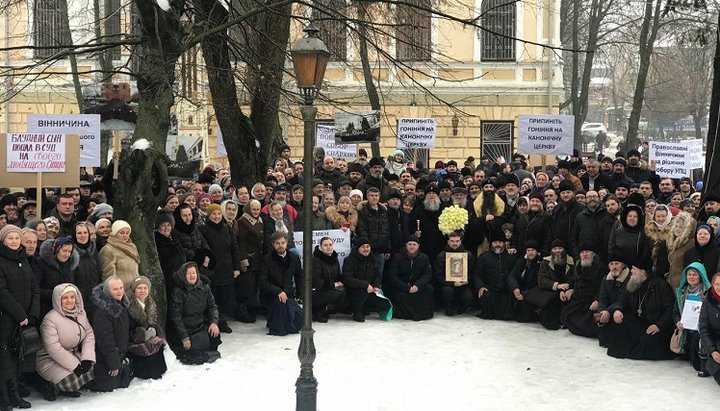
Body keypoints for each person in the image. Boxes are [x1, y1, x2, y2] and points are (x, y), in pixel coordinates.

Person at [0, 225, 39, 410]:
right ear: (4, 241)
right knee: (5, 357)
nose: (14, 241)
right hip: (7, 317)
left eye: (17, 237)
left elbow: (34, 288)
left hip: (24, 318)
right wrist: (20, 314)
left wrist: (32, 313)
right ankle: (4, 397)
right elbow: (2, 292)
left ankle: (15, 394)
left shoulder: (23, 259)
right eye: (10, 238)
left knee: (17, 357)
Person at [606, 259, 675, 360]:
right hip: (637, 323)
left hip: (655, 326)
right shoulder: (633, 282)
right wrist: (618, 310)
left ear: (642, 272)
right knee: (619, 323)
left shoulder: (661, 285)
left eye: (634, 269)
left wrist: (659, 325)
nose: (631, 271)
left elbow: (671, 309)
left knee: (649, 341)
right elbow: (622, 300)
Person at [36, 283, 95, 401]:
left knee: (93, 369)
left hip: (72, 353)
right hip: (50, 359)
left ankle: (66, 386)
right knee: (70, 382)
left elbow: (89, 335)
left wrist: (87, 358)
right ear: (58, 299)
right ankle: (50, 385)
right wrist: (75, 366)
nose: (69, 301)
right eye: (65, 298)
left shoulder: (81, 313)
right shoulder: (50, 319)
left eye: (72, 297)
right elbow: (53, 348)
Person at [199, 203, 242, 334]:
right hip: (212, 269)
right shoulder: (203, 229)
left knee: (226, 297)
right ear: (209, 215)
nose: (216, 216)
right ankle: (213, 321)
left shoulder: (226, 228)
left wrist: (236, 267)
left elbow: (234, 248)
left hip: (227, 268)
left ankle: (222, 320)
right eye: (213, 214)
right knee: (214, 297)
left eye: (218, 214)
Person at [169, 262, 221, 365]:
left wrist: (214, 322)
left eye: (194, 273)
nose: (192, 276)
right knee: (191, 352)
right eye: (189, 274)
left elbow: (212, 306)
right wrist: (184, 337)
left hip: (200, 325)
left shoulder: (204, 287)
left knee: (214, 337)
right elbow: (176, 317)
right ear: (184, 275)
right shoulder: (178, 291)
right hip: (186, 330)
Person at [87, 276, 131, 392]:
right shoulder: (102, 312)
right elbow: (105, 341)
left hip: (119, 353)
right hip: (105, 357)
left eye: (121, 288)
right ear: (107, 291)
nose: (119, 291)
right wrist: (114, 363)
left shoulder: (122, 306)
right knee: (110, 385)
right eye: (115, 289)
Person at [258, 232, 303, 335]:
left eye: (283, 242)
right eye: (277, 243)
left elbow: (299, 277)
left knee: (299, 319)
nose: (281, 245)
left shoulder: (294, 258)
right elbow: (262, 281)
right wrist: (278, 291)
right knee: (281, 308)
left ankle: (275, 320)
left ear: (287, 243)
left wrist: (299, 295)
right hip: (271, 295)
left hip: (288, 294)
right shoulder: (267, 259)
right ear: (273, 244)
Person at [341, 237, 391, 322]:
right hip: (353, 291)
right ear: (358, 249)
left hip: (370, 290)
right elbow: (347, 279)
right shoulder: (349, 260)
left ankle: (364, 307)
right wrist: (365, 285)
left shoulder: (373, 259)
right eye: (363, 247)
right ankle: (356, 312)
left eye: (367, 247)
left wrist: (376, 286)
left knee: (385, 305)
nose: (366, 249)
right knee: (361, 292)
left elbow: (377, 275)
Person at [126, 276, 167, 380]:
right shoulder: (128, 304)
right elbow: (127, 327)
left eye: (145, 288)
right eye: (139, 288)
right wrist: (143, 334)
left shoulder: (150, 303)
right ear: (134, 289)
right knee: (147, 346)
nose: (142, 291)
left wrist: (154, 332)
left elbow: (153, 322)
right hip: (133, 338)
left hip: (147, 334)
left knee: (157, 342)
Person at [385, 236, 434, 321]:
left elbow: (427, 274)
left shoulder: (424, 257)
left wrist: (417, 285)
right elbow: (393, 276)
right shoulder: (398, 257)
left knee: (429, 288)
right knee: (399, 295)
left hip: (416, 285)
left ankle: (424, 314)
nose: (412, 246)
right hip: (403, 286)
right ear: (406, 245)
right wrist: (407, 288)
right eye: (410, 244)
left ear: (418, 246)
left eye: (414, 244)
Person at [561, 245, 605, 338]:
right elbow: (571, 281)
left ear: (593, 254)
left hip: (592, 302)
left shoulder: (601, 267)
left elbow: (603, 287)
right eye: (582, 252)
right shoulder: (577, 266)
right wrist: (570, 290)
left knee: (589, 325)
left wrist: (597, 300)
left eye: (587, 252)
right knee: (567, 315)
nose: (585, 255)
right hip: (578, 301)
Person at [530, 239, 575, 330]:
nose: (557, 251)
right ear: (551, 251)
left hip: (568, 292)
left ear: (564, 250)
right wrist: (557, 286)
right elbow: (541, 280)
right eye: (555, 248)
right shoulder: (545, 263)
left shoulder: (572, 263)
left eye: (560, 248)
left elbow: (574, 279)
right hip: (550, 292)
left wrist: (566, 290)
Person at [474, 230, 518, 320]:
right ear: (491, 244)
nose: (497, 244)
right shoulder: (483, 257)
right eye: (495, 242)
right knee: (485, 296)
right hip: (490, 290)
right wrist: (480, 286)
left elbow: (515, 275)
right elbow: (477, 274)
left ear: (504, 243)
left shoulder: (511, 257)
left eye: (500, 242)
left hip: (505, 291)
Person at [36, 236, 79, 318]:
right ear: (56, 249)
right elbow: (36, 289)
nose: (67, 254)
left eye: (70, 251)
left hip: (66, 309)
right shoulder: (41, 264)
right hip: (47, 309)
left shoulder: (70, 266)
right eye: (64, 251)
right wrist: (57, 293)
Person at [434, 232, 475, 316]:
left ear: (460, 242)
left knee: (469, 297)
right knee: (447, 291)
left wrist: (466, 281)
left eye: (457, 241)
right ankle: (448, 309)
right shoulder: (441, 256)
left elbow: (472, 272)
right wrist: (452, 283)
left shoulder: (468, 255)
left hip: (463, 285)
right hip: (447, 285)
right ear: (448, 242)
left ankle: (462, 308)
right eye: (452, 241)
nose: (454, 243)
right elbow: (438, 276)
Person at [596, 252, 631, 347]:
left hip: (624, 309)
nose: (614, 266)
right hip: (610, 309)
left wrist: (608, 311)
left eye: (617, 263)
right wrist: (602, 311)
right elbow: (602, 298)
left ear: (623, 265)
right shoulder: (605, 279)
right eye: (611, 264)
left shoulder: (630, 278)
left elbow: (623, 299)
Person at [311, 237, 348, 322]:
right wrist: (333, 285)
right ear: (320, 247)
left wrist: (342, 281)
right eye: (325, 245)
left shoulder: (335, 258)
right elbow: (316, 282)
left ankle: (327, 309)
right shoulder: (316, 261)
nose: (328, 247)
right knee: (339, 292)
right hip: (316, 292)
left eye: (330, 245)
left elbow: (338, 276)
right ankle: (318, 311)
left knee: (345, 291)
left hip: (330, 289)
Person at [98, 220, 140, 291]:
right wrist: (116, 290)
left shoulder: (132, 247)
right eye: (121, 233)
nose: (125, 235)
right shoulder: (108, 249)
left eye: (127, 233)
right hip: (119, 291)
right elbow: (108, 275)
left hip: (133, 290)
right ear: (114, 233)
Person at [508, 240, 542, 322]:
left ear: (537, 252)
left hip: (533, 293)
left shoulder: (541, 263)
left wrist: (525, 294)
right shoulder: (521, 261)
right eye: (528, 250)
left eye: (533, 250)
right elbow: (512, 275)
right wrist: (515, 288)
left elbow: (540, 284)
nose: (530, 253)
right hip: (521, 291)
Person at [72, 222, 102, 308]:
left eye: (85, 233)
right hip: (78, 299)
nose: (83, 235)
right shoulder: (70, 252)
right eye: (79, 233)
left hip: (95, 298)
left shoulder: (94, 251)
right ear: (74, 235)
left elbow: (99, 274)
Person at [698, 272, 720, 385]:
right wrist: (712, 351)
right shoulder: (707, 302)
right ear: (713, 285)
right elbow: (703, 328)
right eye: (718, 284)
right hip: (714, 342)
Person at [667, 212, 697, 288]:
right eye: (676, 226)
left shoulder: (691, 244)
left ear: (688, 230)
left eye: (681, 227)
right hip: (672, 284)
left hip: (684, 286)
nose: (677, 229)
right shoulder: (674, 243)